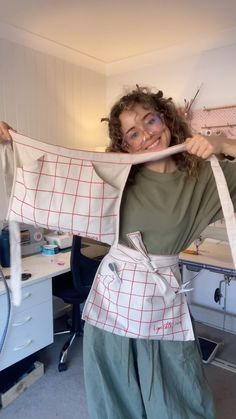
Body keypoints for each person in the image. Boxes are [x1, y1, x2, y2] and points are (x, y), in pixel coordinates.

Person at [1, 86, 236, 419]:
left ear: (165, 119)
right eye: (133, 133)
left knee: (178, 390)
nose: (147, 135)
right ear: (124, 145)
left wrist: (225, 144)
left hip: (162, 300)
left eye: (150, 120)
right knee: (116, 391)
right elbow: (49, 183)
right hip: (114, 296)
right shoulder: (116, 179)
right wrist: (13, 145)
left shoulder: (206, 177)